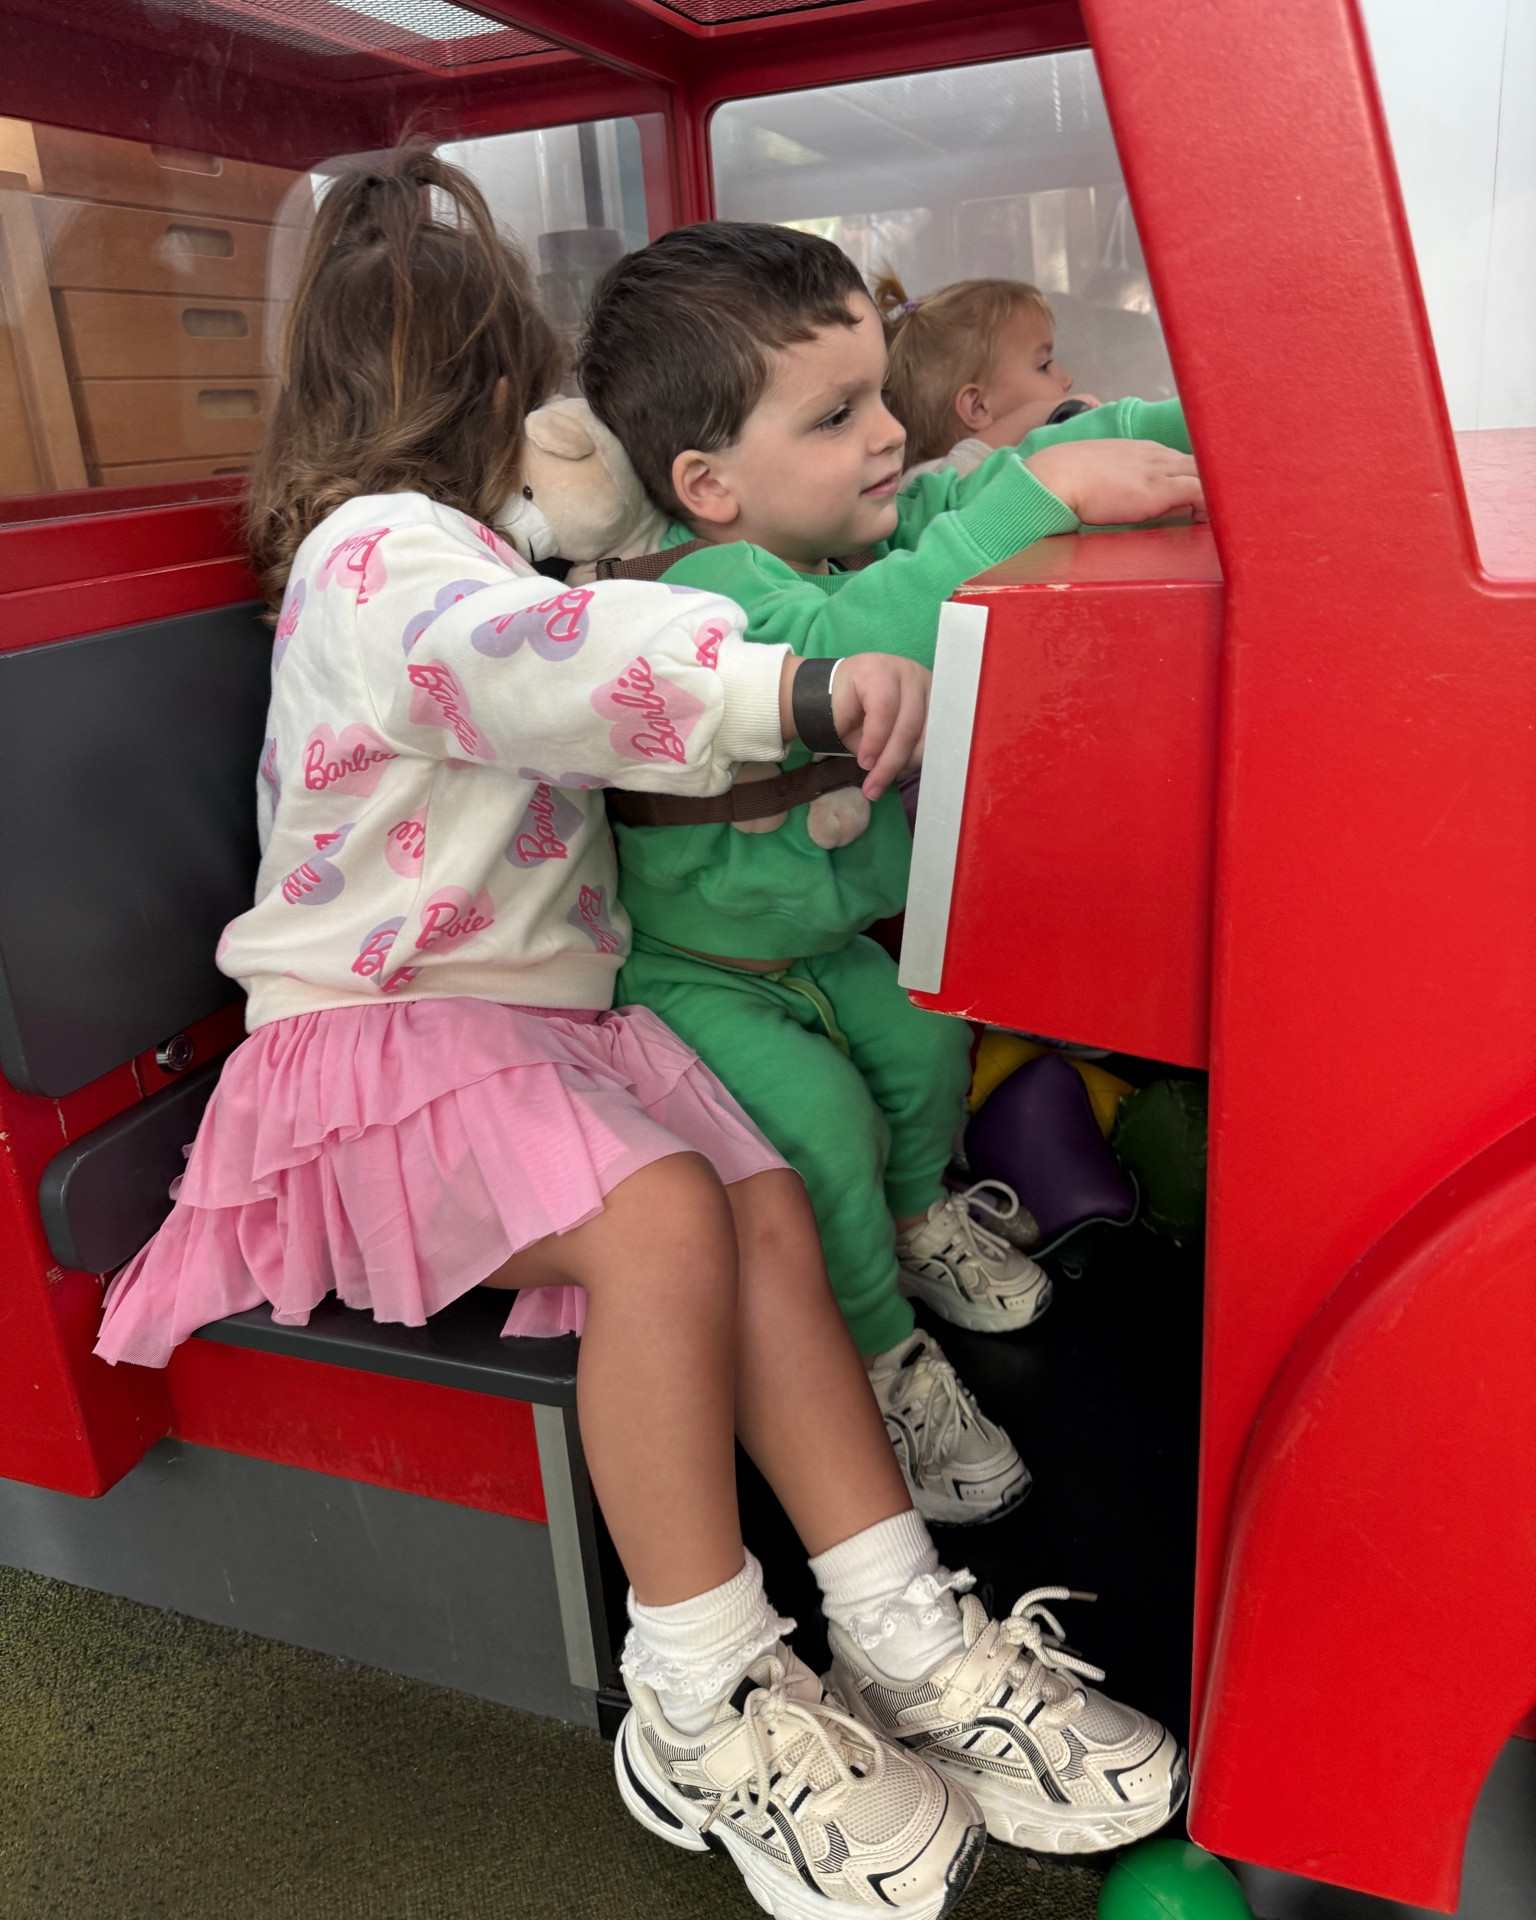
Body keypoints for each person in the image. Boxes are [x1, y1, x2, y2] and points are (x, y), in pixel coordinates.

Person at [91, 155, 1186, 1910]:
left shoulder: (483, 546)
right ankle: (701, 1688)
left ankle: (905, 1625)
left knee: (761, 1203)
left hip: (539, 1039)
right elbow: (540, 658)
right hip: (382, 1047)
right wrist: (786, 688)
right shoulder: (383, 560)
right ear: (502, 409)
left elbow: (610, 592)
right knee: (670, 1213)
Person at [578, 222, 1201, 1528]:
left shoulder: (839, 528)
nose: (885, 436)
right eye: (837, 415)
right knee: (822, 1131)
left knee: (926, 1054)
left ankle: (919, 1223)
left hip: (822, 949)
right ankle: (875, 1357)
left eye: (878, 398)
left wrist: (1176, 429)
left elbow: (989, 481)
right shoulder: (699, 598)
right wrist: (1048, 499)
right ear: (708, 485)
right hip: (701, 978)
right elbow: (849, 634)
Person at [873, 270, 1095, 485]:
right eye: (1044, 366)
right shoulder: (925, 486)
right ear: (978, 407)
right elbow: (961, 465)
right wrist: (1045, 412)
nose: (1068, 379)